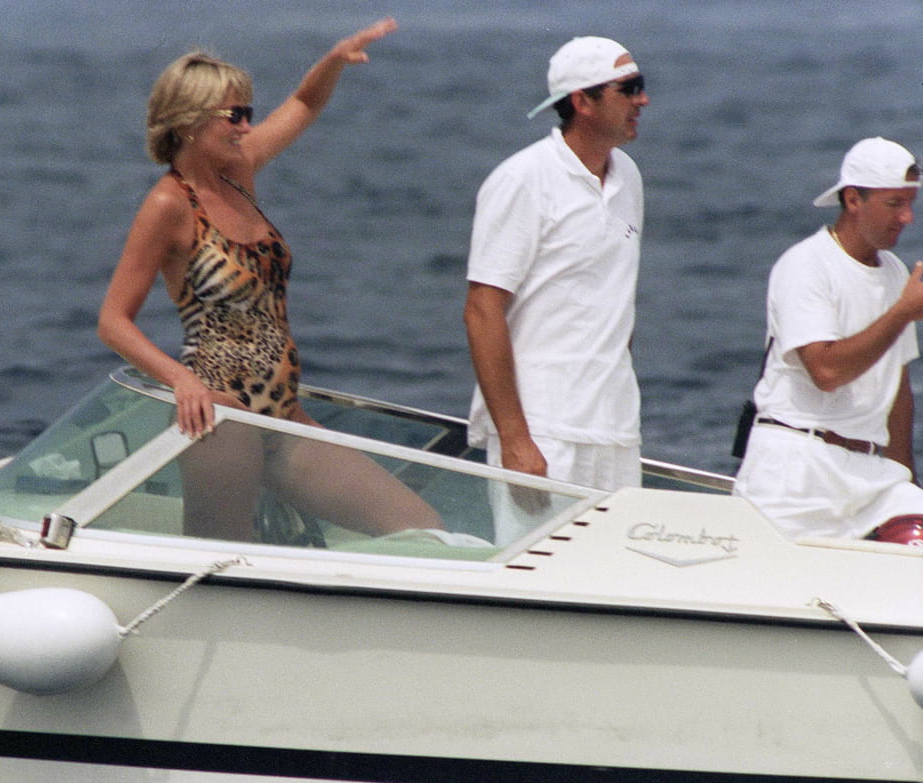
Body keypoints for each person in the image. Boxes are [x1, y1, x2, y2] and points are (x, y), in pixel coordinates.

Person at [97, 19, 442, 543]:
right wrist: (183, 381)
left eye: (249, 114)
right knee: (224, 554)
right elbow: (113, 321)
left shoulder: (239, 172)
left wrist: (333, 59)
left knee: (419, 528)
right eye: (234, 116)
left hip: (283, 415)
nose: (245, 128)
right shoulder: (168, 204)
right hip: (220, 416)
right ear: (189, 121)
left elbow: (304, 103)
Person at [463, 36, 649, 494]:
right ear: (582, 102)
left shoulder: (628, 176)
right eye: (629, 88)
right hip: (544, 434)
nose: (642, 100)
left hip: (616, 431)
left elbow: (614, 302)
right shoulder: (523, 179)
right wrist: (516, 440)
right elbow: (482, 309)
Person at [734, 136, 923, 542]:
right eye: (894, 203)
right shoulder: (805, 265)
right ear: (853, 199)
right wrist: (903, 313)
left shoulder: (895, 272)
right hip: (795, 472)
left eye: (911, 203)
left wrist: (908, 478)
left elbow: (898, 392)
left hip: (871, 476)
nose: (907, 217)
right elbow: (826, 371)